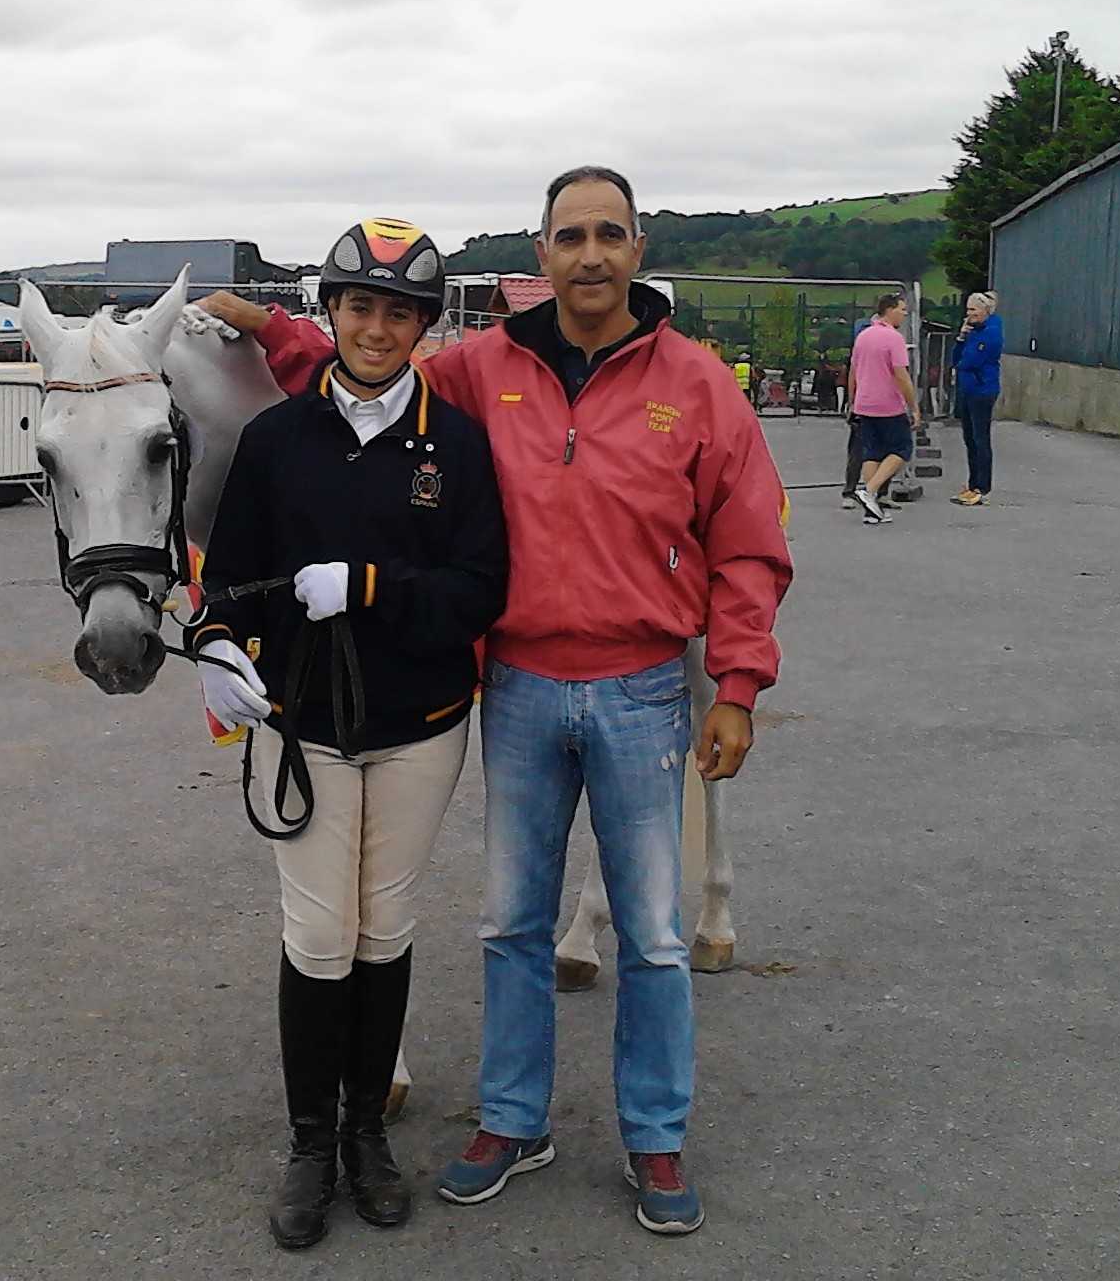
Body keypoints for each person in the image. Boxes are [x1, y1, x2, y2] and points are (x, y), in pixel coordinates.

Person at [200, 167, 792, 1237]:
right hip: (517, 684)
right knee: (512, 923)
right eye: (571, 236)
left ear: (637, 249)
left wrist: (737, 683)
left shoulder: (699, 385)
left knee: (653, 936)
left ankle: (654, 1138)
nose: (591, 254)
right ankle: (513, 1120)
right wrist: (256, 320)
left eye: (609, 234)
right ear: (542, 253)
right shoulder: (484, 369)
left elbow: (747, 541)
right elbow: (365, 363)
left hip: (641, 686)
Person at [190, 218, 509, 1252]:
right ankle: (306, 1140)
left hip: (417, 726)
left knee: (384, 929)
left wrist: (367, 586)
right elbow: (228, 573)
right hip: (305, 725)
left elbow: (477, 589)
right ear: (329, 313)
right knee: (319, 936)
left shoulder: (454, 443)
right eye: (360, 306)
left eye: (400, 312)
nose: (377, 327)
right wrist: (217, 642)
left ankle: (367, 1134)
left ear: (423, 323)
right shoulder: (276, 438)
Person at [848, 294, 920, 526]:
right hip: (888, 404)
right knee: (902, 448)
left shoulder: (863, 336)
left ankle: (872, 510)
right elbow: (901, 375)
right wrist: (914, 407)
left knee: (873, 453)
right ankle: (869, 490)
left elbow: (853, 370)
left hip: (865, 403)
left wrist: (852, 400)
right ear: (889, 310)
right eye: (902, 309)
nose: (905, 313)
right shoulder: (893, 338)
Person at [951, 290, 1002, 505]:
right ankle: (972, 484)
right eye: (967, 310)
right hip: (967, 389)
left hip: (983, 389)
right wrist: (961, 338)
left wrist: (963, 359)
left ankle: (983, 487)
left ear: (985, 310)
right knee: (969, 438)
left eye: (973, 310)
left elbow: (970, 361)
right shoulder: (972, 332)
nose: (969, 314)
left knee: (981, 439)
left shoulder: (991, 332)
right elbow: (956, 357)